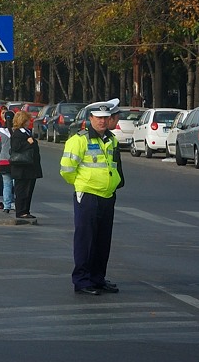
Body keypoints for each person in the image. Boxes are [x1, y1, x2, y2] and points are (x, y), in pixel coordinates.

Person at [60, 99, 122, 296]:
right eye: (98, 118)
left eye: (105, 118)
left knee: (103, 241)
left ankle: (98, 278)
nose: (102, 122)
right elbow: (67, 170)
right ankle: (82, 280)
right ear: (90, 118)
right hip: (87, 195)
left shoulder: (111, 140)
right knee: (85, 240)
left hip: (107, 195)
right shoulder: (78, 140)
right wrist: (82, 184)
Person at [8, 110, 42, 219]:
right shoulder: (17, 133)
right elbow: (16, 147)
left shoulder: (26, 131)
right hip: (21, 167)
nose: (29, 122)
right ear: (23, 121)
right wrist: (28, 142)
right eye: (27, 120)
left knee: (28, 190)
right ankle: (21, 211)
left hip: (29, 167)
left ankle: (26, 210)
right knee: (21, 190)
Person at [0, 111, 15, 213]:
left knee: (6, 184)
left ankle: (7, 206)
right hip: (15, 162)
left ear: (4, 119)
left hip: (3, 162)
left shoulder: (0, 131)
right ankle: (15, 203)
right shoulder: (17, 131)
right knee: (16, 184)